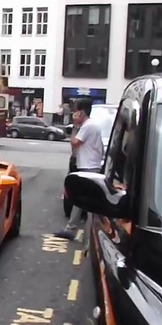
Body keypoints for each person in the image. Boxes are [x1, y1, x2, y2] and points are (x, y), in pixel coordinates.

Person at [55, 98, 104, 240]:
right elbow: (75, 149)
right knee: (80, 200)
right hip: (88, 166)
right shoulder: (90, 125)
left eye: (75, 111)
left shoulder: (88, 126)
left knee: (87, 204)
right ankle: (71, 229)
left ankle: (91, 237)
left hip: (89, 168)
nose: (73, 114)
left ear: (81, 112)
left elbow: (75, 142)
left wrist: (75, 126)